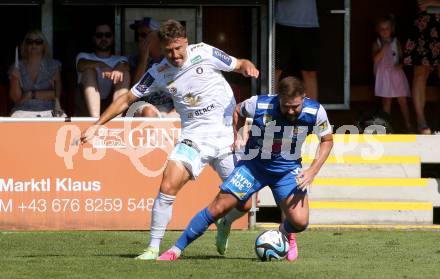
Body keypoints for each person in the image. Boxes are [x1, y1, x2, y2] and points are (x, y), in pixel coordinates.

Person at [79, 19, 259, 260]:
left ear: (187, 42)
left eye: (179, 48)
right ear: (161, 49)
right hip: (194, 138)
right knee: (167, 185)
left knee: (245, 203)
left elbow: (239, 64)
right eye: (168, 50)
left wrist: (248, 67)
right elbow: (126, 100)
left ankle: (225, 222)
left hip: (226, 137)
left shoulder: (205, 52)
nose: (174, 55)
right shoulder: (158, 73)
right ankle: (153, 248)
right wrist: (97, 125)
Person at [157, 76, 333, 261]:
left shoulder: (315, 111)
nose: (290, 110)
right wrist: (237, 134)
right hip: (253, 166)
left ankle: (284, 231)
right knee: (218, 207)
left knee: (300, 221)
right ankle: (176, 250)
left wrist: (312, 171)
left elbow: (327, 140)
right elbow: (237, 110)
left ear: (304, 98)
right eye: (286, 105)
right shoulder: (259, 104)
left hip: (287, 170)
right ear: (278, 97)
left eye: (295, 107)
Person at [76, 23, 130, 117]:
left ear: (113, 38)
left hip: (111, 103)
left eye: (108, 35)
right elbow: (81, 65)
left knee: (124, 74)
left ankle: (117, 119)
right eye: (99, 35)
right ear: (93, 38)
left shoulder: (121, 59)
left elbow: (125, 66)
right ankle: (95, 119)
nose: (103, 38)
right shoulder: (84, 56)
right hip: (86, 106)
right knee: (89, 71)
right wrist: (102, 65)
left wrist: (117, 69)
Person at [403, 0, 440, 134]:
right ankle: (421, 121)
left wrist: (434, 3)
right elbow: (422, 3)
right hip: (425, 25)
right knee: (420, 72)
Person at [9, 29, 65, 117]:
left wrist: (30, 94)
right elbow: (16, 99)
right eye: (29, 41)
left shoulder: (53, 65)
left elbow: (56, 94)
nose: (33, 45)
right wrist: (15, 79)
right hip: (22, 110)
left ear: (43, 45)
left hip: (49, 110)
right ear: (25, 45)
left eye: (38, 42)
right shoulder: (17, 66)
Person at [128, 17, 175, 117]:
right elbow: (135, 89)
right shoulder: (134, 59)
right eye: (138, 35)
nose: (140, 39)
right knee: (149, 112)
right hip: (143, 104)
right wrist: (143, 58)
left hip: (170, 105)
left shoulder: (172, 57)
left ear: (157, 37)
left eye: (144, 35)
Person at [372, 15, 412, 133]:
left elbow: (401, 58)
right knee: (386, 101)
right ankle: (386, 127)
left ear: (392, 29)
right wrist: (384, 47)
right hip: (384, 77)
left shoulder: (396, 42)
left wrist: (401, 65)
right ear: (378, 31)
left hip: (396, 75)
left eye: (387, 28)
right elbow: (375, 60)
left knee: (402, 100)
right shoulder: (377, 43)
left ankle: (408, 124)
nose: (385, 31)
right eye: (382, 29)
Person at [275, 0, 320, 100]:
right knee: (275, 70)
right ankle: (270, 111)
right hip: (281, 23)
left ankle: (311, 112)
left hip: (309, 25)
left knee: (309, 72)